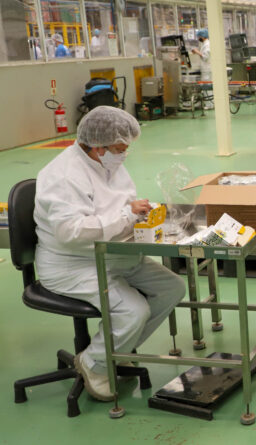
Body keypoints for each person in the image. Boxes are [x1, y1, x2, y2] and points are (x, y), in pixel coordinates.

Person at [33, 106, 185, 402]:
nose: (124, 154)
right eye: (119, 148)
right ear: (97, 146)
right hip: (74, 265)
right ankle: (94, 363)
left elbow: (120, 204)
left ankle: (118, 351)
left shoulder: (106, 163)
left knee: (172, 288)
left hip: (114, 253)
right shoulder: (64, 176)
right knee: (133, 311)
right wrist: (126, 216)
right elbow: (70, 231)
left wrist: (142, 214)